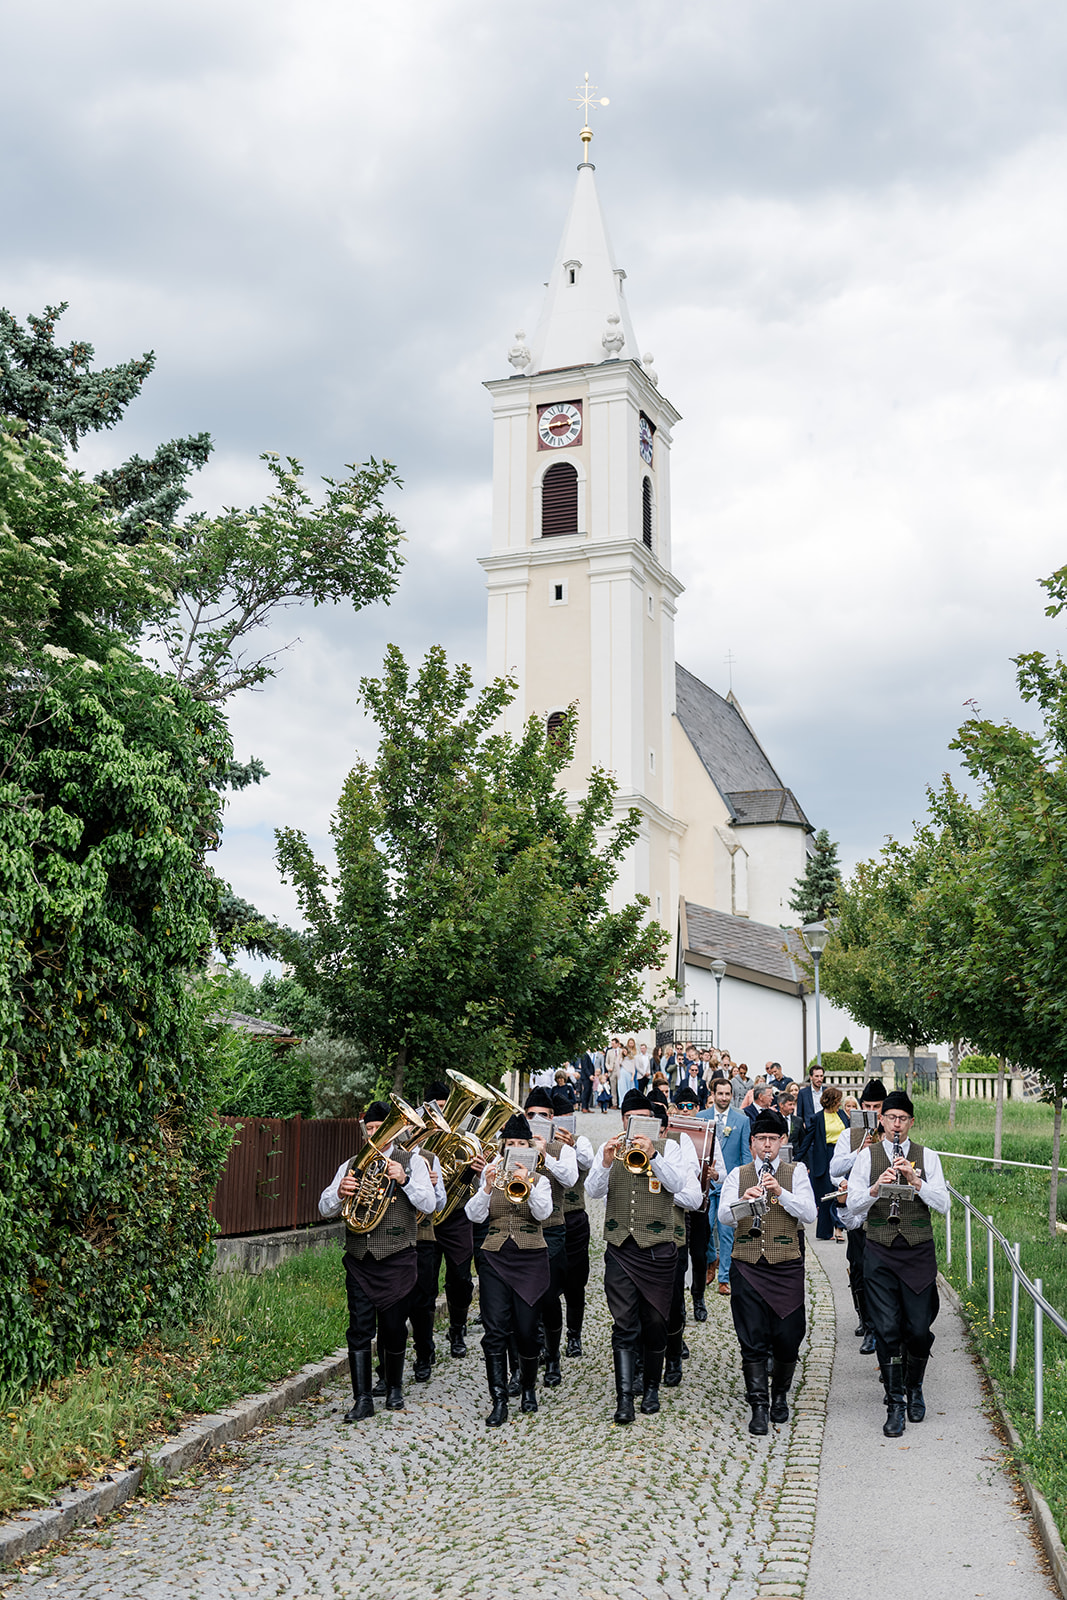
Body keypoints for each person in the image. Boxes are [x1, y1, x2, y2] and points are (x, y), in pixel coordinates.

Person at [584, 1090, 702, 1423]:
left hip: (659, 1250)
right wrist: (606, 1162)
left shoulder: (671, 1148)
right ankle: (624, 1399)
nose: (634, 1125)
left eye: (642, 1120)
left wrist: (655, 1156)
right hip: (621, 1248)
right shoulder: (609, 1149)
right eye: (629, 1118)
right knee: (623, 1325)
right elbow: (593, 1191)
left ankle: (651, 1387)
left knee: (654, 1323)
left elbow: (684, 1189)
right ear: (622, 1120)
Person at [319, 1101, 436, 1422]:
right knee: (358, 1329)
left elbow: (430, 1203)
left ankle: (395, 1387)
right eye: (369, 1129)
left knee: (394, 1326)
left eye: (380, 1128)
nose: (374, 1134)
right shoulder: (350, 1164)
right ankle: (362, 1399)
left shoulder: (412, 1161)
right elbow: (324, 1207)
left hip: (397, 1256)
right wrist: (340, 1194)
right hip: (359, 1258)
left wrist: (405, 1179)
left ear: (396, 1130)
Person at [846, 1089, 949, 1438]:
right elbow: (852, 1210)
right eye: (891, 1118)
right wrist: (876, 1187)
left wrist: (916, 1181)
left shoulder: (927, 1156)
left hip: (918, 1251)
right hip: (880, 1251)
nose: (897, 1125)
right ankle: (895, 1403)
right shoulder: (867, 1157)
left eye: (903, 1119)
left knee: (918, 1330)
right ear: (882, 1120)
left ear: (911, 1123)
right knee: (888, 1330)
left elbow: (944, 1204)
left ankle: (915, 1386)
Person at [718, 1108, 816, 1434]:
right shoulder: (738, 1174)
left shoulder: (795, 1172)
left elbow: (809, 1213)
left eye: (773, 1139)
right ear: (752, 1142)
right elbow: (724, 1217)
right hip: (747, 1264)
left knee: (789, 1337)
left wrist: (779, 1192)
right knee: (752, 1338)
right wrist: (744, 1201)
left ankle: (780, 1397)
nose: (767, 1145)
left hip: (786, 1263)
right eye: (761, 1139)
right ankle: (758, 1405)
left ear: (782, 1140)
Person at [466, 1112, 554, 1426]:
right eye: (510, 1143)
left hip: (531, 1257)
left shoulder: (540, 1180)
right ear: (503, 1147)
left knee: (528, 1332)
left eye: (521, 1143)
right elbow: (475, 1215)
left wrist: (525, 1185)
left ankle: (528, 1388)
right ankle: (499, 1400)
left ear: (530, 1147)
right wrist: (487, 1188)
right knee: (495, 1331)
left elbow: (543, 1213)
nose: (515, 1147)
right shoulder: (490, 1173)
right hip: (495, 1257)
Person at [523, 1088, 579, 1388]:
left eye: (542, 1115)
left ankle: (553, 1355)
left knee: (547, 1296)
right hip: (519, 1229)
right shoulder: (514, 1145)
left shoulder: (563, 1149)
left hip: (552, 1229)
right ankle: (528, 1355)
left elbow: (570, 1180)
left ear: (552, 1118)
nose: (535, 1119)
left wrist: (545, 1155)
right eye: (530, 1115)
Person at [829, 1078, 887, 1355]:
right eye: (868, 1106)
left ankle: (880, 1326)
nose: (872, 1111)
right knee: (859, 1269)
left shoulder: (893, 1131)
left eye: (877, 1107)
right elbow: (835, 1169)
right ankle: (867, 1322)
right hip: (858, 1211)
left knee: (882, 1273)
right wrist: (859, 1153)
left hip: (886, 1213)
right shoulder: (848, 1135)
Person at [551, 1088, 595, 1358]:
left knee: (575, 1281)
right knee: (548, 1280)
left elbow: (587, 1161)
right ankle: (547, 1332)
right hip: (546, 1220)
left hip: (574, 1215)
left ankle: (574, 1334)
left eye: (569, 1119)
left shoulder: (581, 1141)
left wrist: (571, 1144)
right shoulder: (536, 1142)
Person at [698, 1074, 751, 1297]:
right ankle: (712, 1259)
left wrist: (746, 1181)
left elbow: (745, 1154)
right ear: (713, 1095)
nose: (724, 1097)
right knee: (705, 1229)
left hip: (731, 1184)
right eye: (720, 1093)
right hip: (707, 1183)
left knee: (728, 1233)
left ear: (732, 1095)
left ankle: (724, 1277)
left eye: (727, 1094)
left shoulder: (742, 1119)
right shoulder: (702, 1117)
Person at [797, 1085, 849, 1242]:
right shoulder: (817, 1117)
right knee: (827, 1194)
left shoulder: (842, 1115)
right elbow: (808, 1140)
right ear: (831, 1101)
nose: (840, 1104)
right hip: (825, 1155)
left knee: (841, 1191)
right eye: (838, 1101)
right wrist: (797, 1159)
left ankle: (839, 1228)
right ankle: (825, 1231)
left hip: (841, 1154)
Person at [795, 1065, 827, 1131]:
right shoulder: (803, 1093)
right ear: (811, 1077)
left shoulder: (827, 1092)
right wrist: (803, 1125)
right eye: (817, 1076)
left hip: (825, 1127)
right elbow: (799, 1114)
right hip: (809, 1128)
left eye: (821, 1076)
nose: (819, 1079)